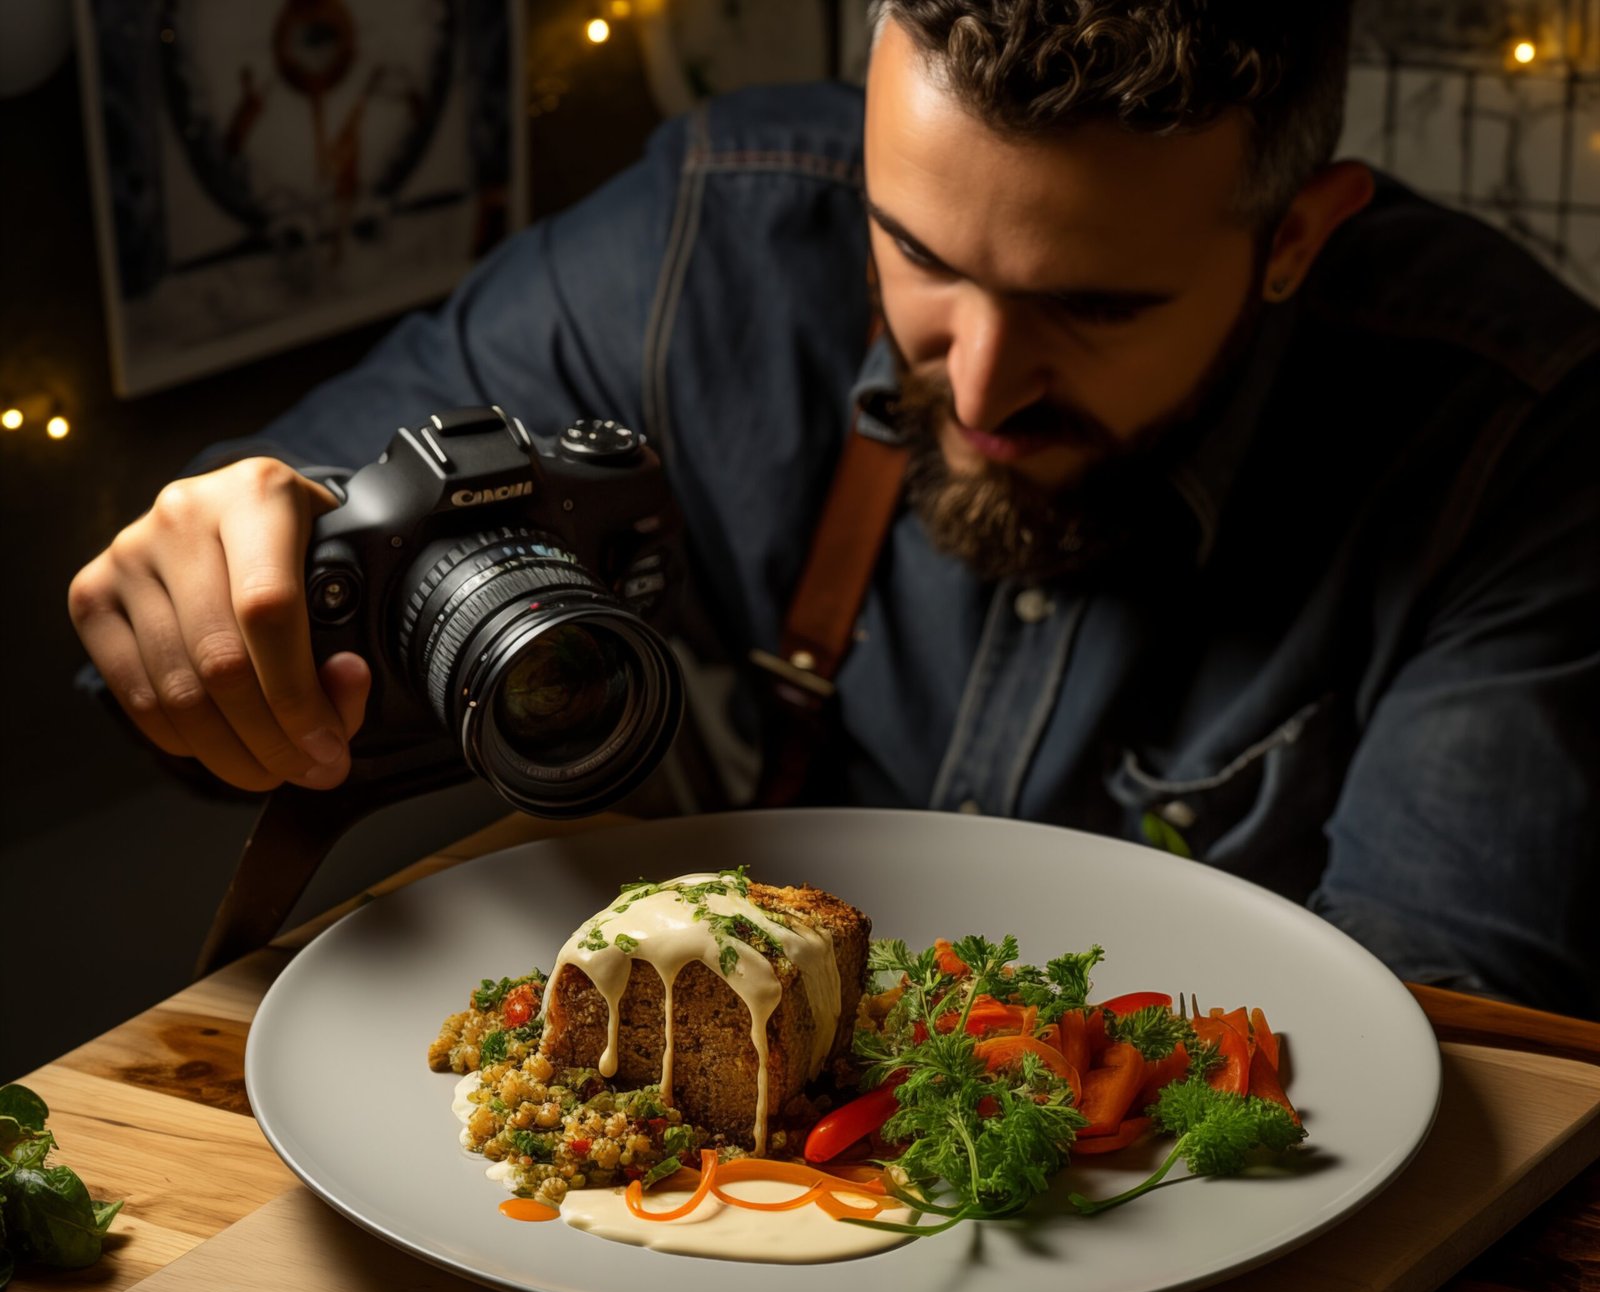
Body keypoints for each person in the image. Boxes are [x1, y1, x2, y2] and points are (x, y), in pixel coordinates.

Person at [67, 1, 1600, 1016]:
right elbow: (265, 546)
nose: (984, 386)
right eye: (916, 255)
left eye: (1095, 308)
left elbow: (1449, 1055)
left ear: (1296, 239)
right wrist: (206, 627)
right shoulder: (708, 235)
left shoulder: (1519, 443)